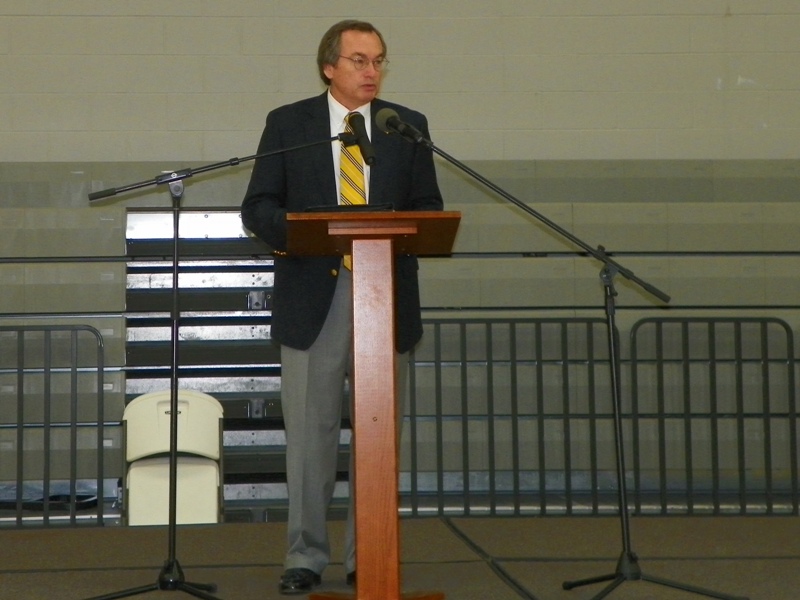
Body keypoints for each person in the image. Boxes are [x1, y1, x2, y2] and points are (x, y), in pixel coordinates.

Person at [240, 19, 443, 595]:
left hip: (386, 298)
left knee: (379, 438)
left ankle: (369, 554)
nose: (371, 71)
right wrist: (308, 233)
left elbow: (428, 207)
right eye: (359, 60)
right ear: (329, 67)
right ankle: (305, 556)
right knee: (311, 437)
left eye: (378, 60)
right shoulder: (290, 124)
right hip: (314, 299)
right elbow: (258, 207)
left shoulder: (405, 126)